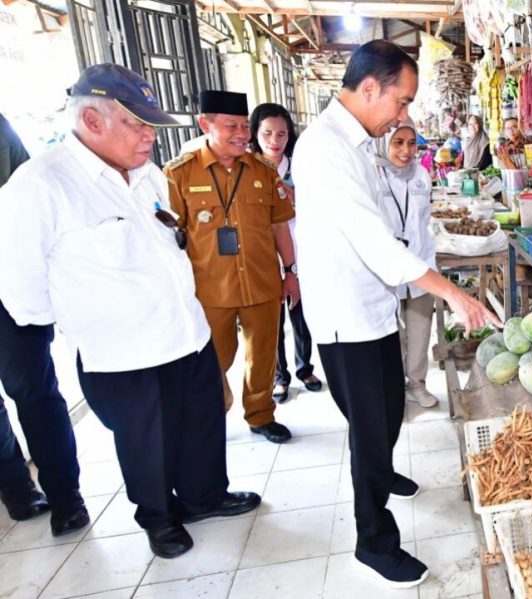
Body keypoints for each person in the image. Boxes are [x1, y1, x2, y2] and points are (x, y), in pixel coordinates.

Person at [0, 64, 260, 559]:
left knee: (201, 424)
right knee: (147, 443)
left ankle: (205, 496)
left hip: (186, 333)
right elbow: (21, 291)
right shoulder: (40, 186)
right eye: (138, 125)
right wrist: (88, 319)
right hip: (124, 353)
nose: (149, 137)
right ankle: (159, 517)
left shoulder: (147, 175)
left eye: (152, 127)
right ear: (93, 121)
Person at [292, 39, 499, 589]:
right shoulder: (325, 148)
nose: (403, 114)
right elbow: (371, 238)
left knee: (386, 409)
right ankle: (373, 540)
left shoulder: (359, 143)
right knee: (370, 423)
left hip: (373, 305)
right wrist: (451, 293)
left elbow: (389, 232)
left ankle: (383, 473)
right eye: (401, 101)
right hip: (346, 314)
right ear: (369, 88)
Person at [164, 91, 298, 444]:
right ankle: (210, 414)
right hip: (210, 288)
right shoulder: (179, 174)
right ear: (205, 124)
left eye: (244, 126)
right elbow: (168, 236)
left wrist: (291, 271)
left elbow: (279, 225)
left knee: (263, 355)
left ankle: (260, 415)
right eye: (231, 126)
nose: (243, 134)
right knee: (212, 361)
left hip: (262, 282)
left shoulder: (263, 172)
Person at [0, 113, 88, 536]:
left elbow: (25, 203)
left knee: (33, 391)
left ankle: (64, 496)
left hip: (8, 289)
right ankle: (17, 491)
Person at [248, 103, 323, 403]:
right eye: (267, 133)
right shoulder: (247, 169)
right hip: (264, 254)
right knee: (272, 319)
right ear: (255, 134)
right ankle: (280, 377)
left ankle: (305, 368)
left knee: (301, 315)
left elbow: (316, 204)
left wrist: (293, 196)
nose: (274, 140)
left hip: (300, 250)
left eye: (281, 134)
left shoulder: (299, 166)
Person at [373, 120, 438, 409]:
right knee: (392, 331)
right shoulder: (373, 176)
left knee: (420, 328)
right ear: (384, 142)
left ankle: (417, 384)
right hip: (387, 266)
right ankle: (394, 387)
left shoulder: (422, 174)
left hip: (421, 262)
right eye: (398, 142)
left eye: (411, 143)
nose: (406, 150)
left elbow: (424, 219)